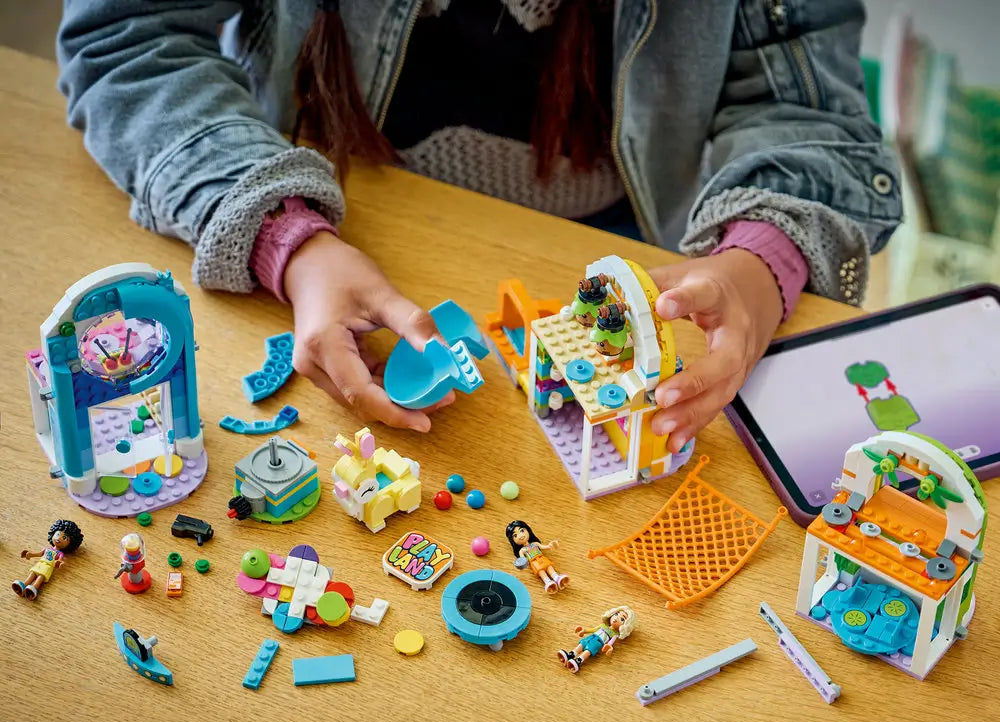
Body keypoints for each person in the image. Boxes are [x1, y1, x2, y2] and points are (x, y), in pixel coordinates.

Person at [57, 1, 901, 447]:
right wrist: (289, 238)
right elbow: (130, 39)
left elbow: (805, 112)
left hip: (619, 250)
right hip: (332, 219)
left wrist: (762, 257)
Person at [12, 520, 84, 600]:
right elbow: (39, 554)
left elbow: (59, 561)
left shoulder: (60, 554)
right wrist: (30, 555)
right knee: (33, 573)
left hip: (48, 567)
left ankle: (34, 588)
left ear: (70, 544)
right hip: (40, 564)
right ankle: (23, 585)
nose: (59, 538)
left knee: (40, 576)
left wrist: (58, 563)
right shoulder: (47, 549)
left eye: (64, 538)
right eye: (57, 534)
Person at [558, 605, 637, 672]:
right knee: (582, 644)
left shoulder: (614, 634)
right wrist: (584, 631)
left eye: (622, 619)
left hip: (598, 642)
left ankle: (578, 661)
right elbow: (593, 629)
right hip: (591, 636)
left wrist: (609, 647)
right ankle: (570, 655)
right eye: (616, 614)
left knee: (588, 651)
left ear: (625, 626)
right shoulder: (603, 625)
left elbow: (611, 642)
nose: (615, 618)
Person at [506, 519, 568, 593]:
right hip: (534, 562)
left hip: (542, 558)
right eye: (515, 535)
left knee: (549, 566)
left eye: (522, 531)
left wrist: (550, 545)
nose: (520, 536)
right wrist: (520, 564)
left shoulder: (535, 543)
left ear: (528, 530)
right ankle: (547, 581)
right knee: (541, 571)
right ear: (512, 540)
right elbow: (522, 560)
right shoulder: (522, 550)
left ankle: (556, 577)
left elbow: (543, 547)